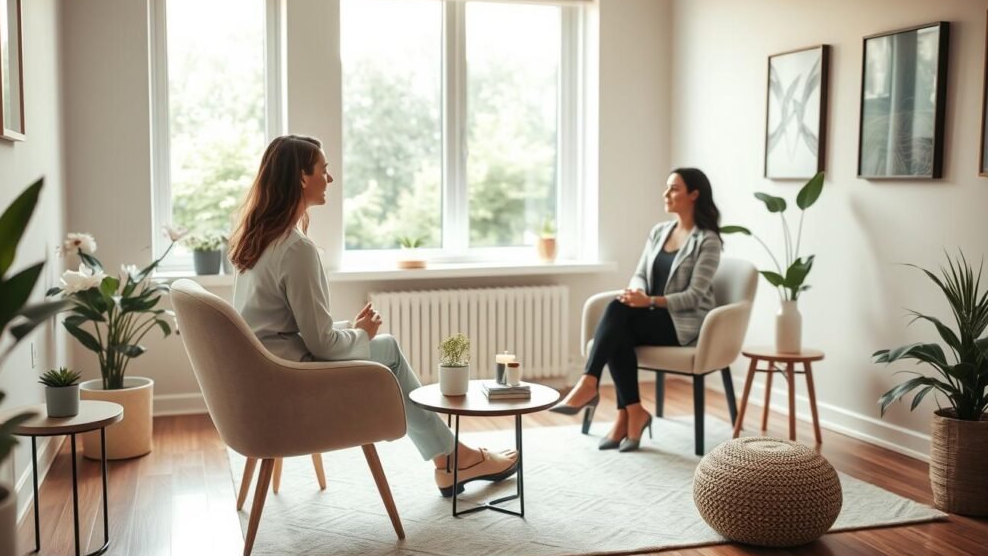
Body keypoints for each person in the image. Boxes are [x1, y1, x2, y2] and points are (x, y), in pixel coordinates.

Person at [229, 135, 517, 496]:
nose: (330, 179)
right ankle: (453, 458)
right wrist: (361, 334)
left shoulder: (255, 241)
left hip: (268, 376)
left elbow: (282, 328)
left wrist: (352, 328)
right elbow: (322, 345)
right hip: (293, 381)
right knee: (389, 350)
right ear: (302, 178)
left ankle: (450, 457)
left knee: (382, 345)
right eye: (324, 170)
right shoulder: (296, 249)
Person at [550, 168, 722, 452]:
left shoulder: (707, 241)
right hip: (652, 315)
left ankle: (592, 386)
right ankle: (630, 413)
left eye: (674, 189)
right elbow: (640, 273)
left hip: (683, 324)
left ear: (694, 194)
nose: (666, 194)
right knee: (620, 319)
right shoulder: (659, 231)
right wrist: (638, 293)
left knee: (618, 318)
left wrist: (650, 302)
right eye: (667, 187)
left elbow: (694, 296)